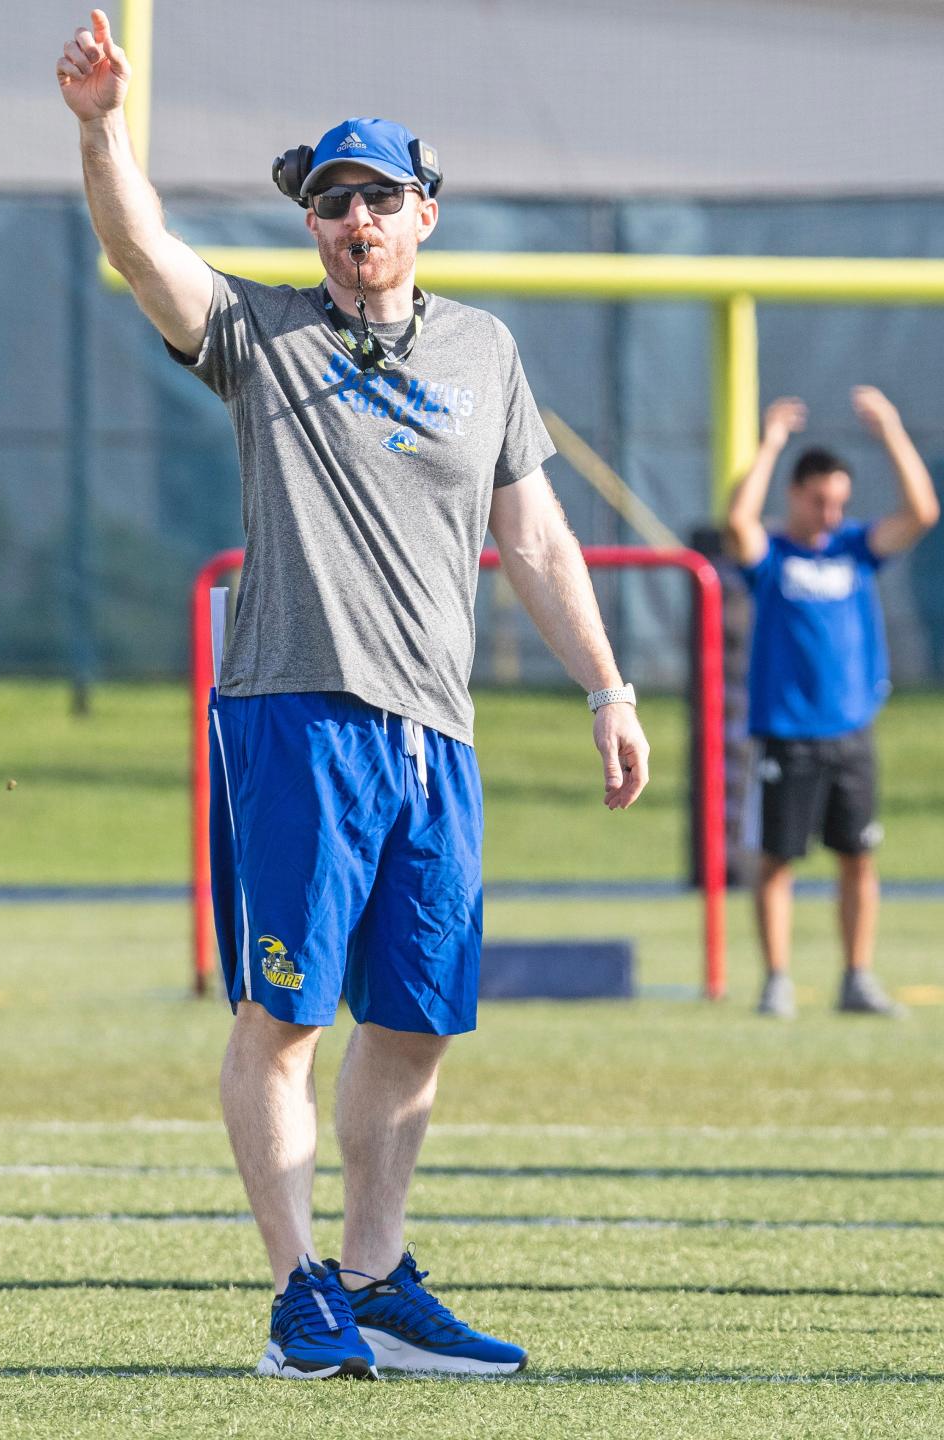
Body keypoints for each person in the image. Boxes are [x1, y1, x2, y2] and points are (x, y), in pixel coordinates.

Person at [57, 11, 650, 1380]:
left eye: (377, 195)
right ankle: (297, 1302)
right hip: (299, 715)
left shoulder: (484, 352)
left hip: (436, 735)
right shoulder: (263, 338)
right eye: (330, 201)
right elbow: (144, 253)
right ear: (313, 227)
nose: (354, 217)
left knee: (422, 1018)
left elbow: (537, 540)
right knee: (287, 1018)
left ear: (424, 212)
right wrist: (99, 130)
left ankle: (376, 1280)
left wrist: (609, 688)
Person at [725, 388, 939, 1020]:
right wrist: (768, 446)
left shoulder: (855, 549)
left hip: (850, 733)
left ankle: (856, 977)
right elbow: (738, 525)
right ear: (795, 495)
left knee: (858, 857)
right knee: (777, 859)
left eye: (839, 502)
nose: (829, 513)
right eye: (819, 500)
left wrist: (893, 431)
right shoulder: (774, 556)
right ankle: (778, 981)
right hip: (787, 732)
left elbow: (922, 512)